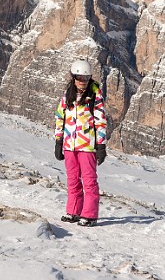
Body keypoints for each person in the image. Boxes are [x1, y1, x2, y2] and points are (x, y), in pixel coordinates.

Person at [54, 59, 108, 227]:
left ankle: (90, 214)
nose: (82, 82)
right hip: (70, 144)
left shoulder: (95, 95)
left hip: (87, 145)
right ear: (73, 77)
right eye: (79, 78)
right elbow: (60, 118)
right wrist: (58, 141)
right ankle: (74, 211)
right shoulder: (67, 94)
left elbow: (100, 121)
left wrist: (101, 145)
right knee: (72, 179)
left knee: (89, 180)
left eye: (86, 78)